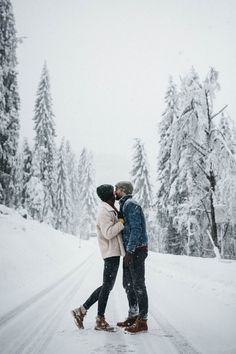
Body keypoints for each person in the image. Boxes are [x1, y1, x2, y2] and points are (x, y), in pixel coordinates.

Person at [71, 184, 125, 331]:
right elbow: (108, 233)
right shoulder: (104, 212)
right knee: (107, 287)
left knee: (107, 286)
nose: (115, 193)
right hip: (110, 252)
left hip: (114, 252)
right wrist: (121, 223)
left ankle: (81, 311)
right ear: (109, 195)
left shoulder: (110, 208)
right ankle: (99, 320)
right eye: (113, 192)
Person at [115, 181, 148, 333]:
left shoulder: (131, 204)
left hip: (136, 250)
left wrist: (129, 250)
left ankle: (142, 321)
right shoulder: (124, 205)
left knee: (138, 285)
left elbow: (136, 228)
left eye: (117, 189)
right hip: (130, 250)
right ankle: (133, 315)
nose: (115, 191)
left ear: (123, 190)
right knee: (128, 284)